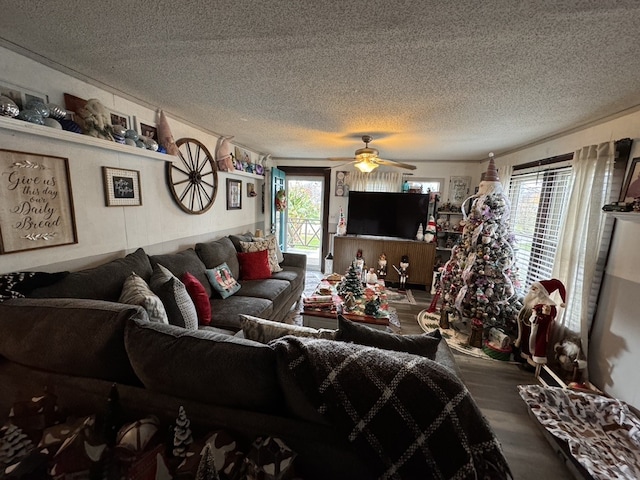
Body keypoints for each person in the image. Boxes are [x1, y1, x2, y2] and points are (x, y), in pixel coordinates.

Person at [514, 279, 567, 367]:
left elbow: (549, 319)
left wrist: (542, 316)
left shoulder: (549, 306)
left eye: (536, 288)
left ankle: (533, 363)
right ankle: (524, 356)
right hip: (527, 327)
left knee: (536, 346)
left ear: (543, 292)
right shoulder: (531, 301)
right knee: (526, 342)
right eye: (533, 287)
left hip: (538, 331)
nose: (532, 290)